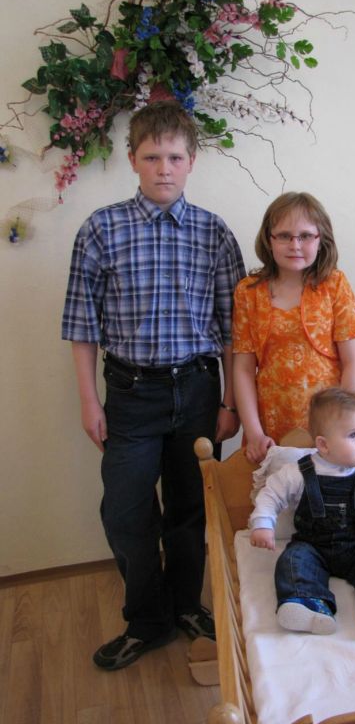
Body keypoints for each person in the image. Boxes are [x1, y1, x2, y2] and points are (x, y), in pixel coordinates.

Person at [61, 100, 246, 670]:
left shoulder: (214, 233)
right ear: (132, 160)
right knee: (125, 510)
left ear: (192, 161)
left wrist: (229, 402)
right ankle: (147, 619)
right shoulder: (101, 229)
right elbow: (82, 325)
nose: (164, 168)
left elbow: (234, 329)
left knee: (190, 508)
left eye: (174, 157)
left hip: (197, 389)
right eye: (151, 157)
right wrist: (89, 401)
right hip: (131, 393)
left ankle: (186, 604)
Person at [249, 388, 355, 639]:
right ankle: (309, 606)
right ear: (323, 445)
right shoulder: (299, 471)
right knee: (293, 561)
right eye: (353, 435)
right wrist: (263, 524)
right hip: (312, 545)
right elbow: (271, 494)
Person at [233, 192, 355, 464]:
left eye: (305, 236)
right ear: (269, 239)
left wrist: (342, 427)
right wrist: (254, 432)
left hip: (329, 428)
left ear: (320, 238)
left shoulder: (334, 285)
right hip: (270, 427)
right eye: (284, 236)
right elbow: (243, 369)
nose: (295, 245)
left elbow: (354, 362)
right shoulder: (248, 292)